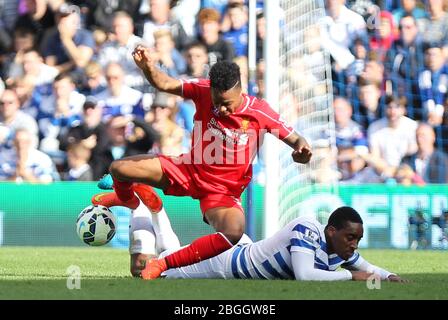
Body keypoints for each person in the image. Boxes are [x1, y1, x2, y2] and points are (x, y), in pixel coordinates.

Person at [92, 45, 312, 280]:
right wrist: (147, 67)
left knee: (233, 232)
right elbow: (165, 84)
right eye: (217, 102)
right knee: (119, 169)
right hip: (188, 169)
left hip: (222, 191)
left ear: (240, 90)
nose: (222, 109)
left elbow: (296, 138)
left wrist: (302, 150)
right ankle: (129, 200)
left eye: (228, 103)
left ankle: (163, 263)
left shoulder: (259, 111)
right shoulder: (203, 90)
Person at [133, 204, 406, 282]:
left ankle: (156, 210)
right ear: (331, 230)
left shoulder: (340, 250)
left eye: (358, 239)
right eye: (351, 237)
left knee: (169, 254)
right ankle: (142, 207)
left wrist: (390, 275)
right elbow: (304, 275)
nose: (354, 245)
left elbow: (366, 265)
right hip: (228, 263)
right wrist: (351, 277)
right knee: (149, 269)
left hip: (245, 253)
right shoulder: (307, 229)